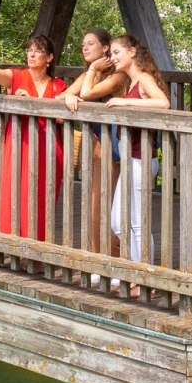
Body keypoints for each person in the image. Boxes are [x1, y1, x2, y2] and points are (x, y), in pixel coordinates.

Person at [0, 33, 67, 241]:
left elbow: (61, 120)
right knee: (12, 192)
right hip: (19, 144)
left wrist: (33, 103)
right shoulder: (17, 77)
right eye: (29, 50)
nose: (32, 54)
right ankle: (10, 246)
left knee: (40, 199)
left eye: (38, 51)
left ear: (49, 58)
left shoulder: (58, 86)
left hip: (47, 148)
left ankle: (37, 250)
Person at [104, 33, 170, 291]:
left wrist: (123, 101)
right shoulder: (131, 82)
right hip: (131, 160)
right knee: (118, 222)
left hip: (142, 160)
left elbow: (163, 103)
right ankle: (136, 270)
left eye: (117, 53)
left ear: (132, 52)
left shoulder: (143, 78)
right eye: (111, 54)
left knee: (137, 222)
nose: (113, 58)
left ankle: (146, 278)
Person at [62, 27, 129, 258]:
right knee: (95, 210)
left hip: (121, 149)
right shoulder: (88, 74)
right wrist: (69, 95)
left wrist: (91, 71)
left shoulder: (119, 75)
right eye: (83, 44)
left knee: (119, 213)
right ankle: (102, 259)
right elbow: (61, 96)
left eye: (90, 43)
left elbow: (88, 94)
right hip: (101, 149)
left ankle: (120, 258)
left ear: (106, 47)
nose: (85, 47)